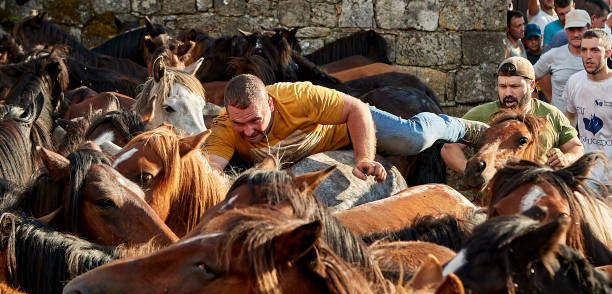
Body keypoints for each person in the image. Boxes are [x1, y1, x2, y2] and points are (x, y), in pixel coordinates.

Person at [203, 75, 487, 182]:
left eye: (255, 120)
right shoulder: (225, 127)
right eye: (240, 123)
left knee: (413, 138)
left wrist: (364, 158)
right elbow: (210, 173)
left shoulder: (297, 96)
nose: (249, 130)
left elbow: (356, 109)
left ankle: (459, 126)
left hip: (347, 129)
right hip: (309, 155)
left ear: (271, 104)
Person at [441, 57, 584, 174]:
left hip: (538, 200)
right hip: (491, 202)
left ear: (532, 85)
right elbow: (450, 148)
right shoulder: (481, 114)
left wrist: (565, 158)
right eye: (502, 86)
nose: (507, 93)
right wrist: (472, 171)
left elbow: (576, 147)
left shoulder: (551, 114)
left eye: (515, 87)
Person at [565, 28, 612, 190]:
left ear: (608, 53)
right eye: (584, 50)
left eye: (595, 50)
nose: (588, 55)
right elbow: (570, 120)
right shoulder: (574, 81)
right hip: (586, 174)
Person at [534, 9, 590, 113]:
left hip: (590, 124)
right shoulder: (553, 55)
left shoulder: (599, 56)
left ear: (588, 28)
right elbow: (529, 76)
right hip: (560, 124)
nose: (576, 34)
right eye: (571, 29)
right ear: (565, 30)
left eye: (580, 29)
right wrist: (537, 106)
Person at [545, 0, 610, 50]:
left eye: (580, 29)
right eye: (603, 21)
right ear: (592, 19)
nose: (575, 34)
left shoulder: (602, 36)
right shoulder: (561, 37)